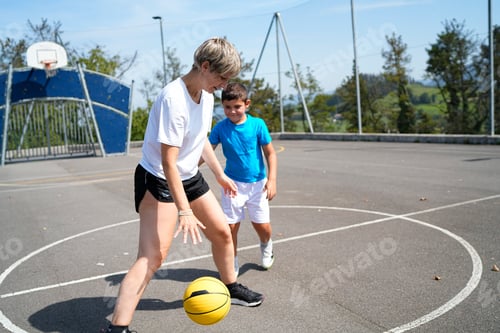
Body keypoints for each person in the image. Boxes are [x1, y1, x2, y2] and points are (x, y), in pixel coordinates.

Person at [103, 38, 264, 333]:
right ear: (204, 67)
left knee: (222, 233)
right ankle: (117, 328)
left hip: (188, 176)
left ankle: (231, 287)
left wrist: (219, 174)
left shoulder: (207, 94)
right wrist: (184, 211)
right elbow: (168, 161)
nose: (224, 84)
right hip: (159, 179)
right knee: (152, 257)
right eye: (221, 77)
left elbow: (200, 139)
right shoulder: (173, 99)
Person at [209, 82, 277, 277]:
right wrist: (186, 169)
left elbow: (271, 154)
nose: (232, 111)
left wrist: (272, 180)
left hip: (258, 185)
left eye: (237, 106)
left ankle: (266, 245)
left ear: (247, 104)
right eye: (227, 107)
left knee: (262, 226)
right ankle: (233, 260)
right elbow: (206, 153)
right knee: (230, 227)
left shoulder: (257, 125)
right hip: (232, 184)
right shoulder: (220, 128)